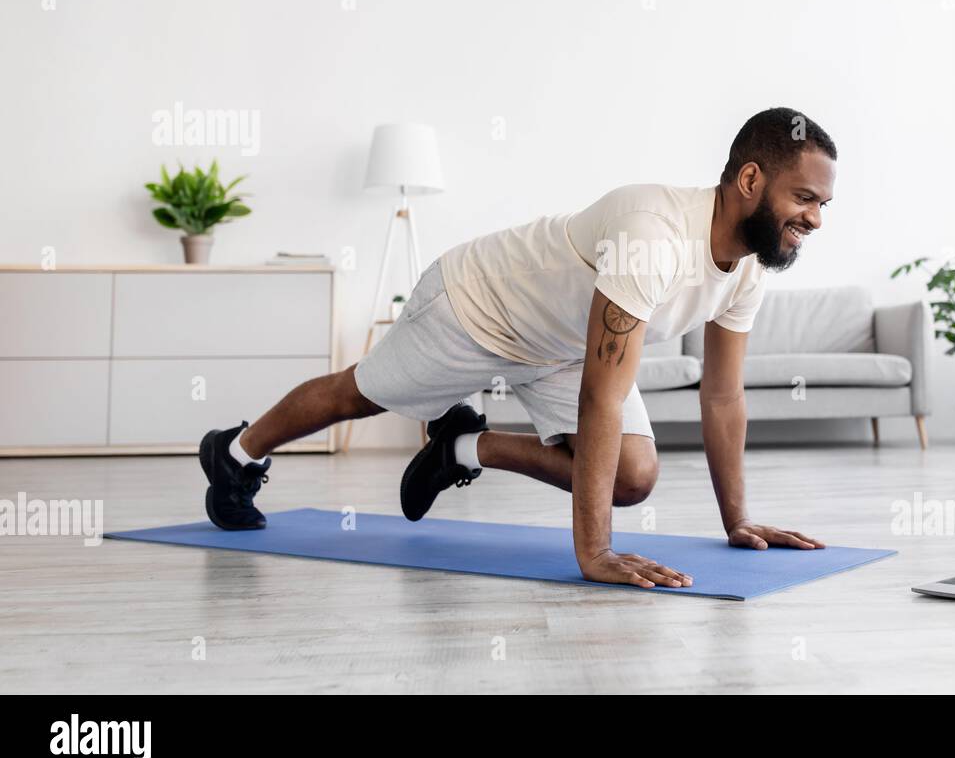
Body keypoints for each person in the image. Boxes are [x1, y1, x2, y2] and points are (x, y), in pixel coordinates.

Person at [198, 106, 836, 589]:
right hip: (477, 309)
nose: (814, 218)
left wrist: (738, 521)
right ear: (751, 178)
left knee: (635, 477)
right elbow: (601, 396)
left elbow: (722, 398)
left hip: (559, 346)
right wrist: (595, 552)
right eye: (803, 197)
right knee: (356, 395)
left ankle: (458, 447)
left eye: (822, 203)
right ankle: (234, 453)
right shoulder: (655, 233)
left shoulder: (750, 266)